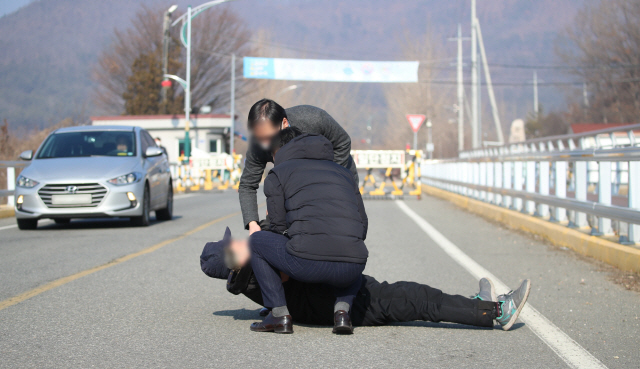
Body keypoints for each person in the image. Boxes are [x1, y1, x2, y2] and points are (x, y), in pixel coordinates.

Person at [200, 226, 532, 332]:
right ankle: (494, 313)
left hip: (344, 293)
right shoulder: (260, 268)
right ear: (233, 257)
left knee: (418, 296)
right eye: (236, 243)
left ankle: (475, 304)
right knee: (420, 299)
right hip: (352, 302)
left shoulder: (253, 281)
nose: (244, 238)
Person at [247, 127, 368, 334]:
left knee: (257, 241)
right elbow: (362, 225)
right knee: (350, 248)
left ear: (280, 151)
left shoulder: (278, 174)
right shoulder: (345, 173)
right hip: (352, 269)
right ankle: (342, 312)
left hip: (306, 265)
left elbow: (277, 228)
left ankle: (278, 314)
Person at [239, 99, 359, 235]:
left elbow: (343, 142)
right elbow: (247, 185)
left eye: (269, 138)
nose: (265, 145)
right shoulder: (258, 145)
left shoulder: (313, 118)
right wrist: (252, 223)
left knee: (334, 228)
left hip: (336, 175)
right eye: (260, 139)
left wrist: (327, 181)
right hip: (292, 182)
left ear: (284, 123)